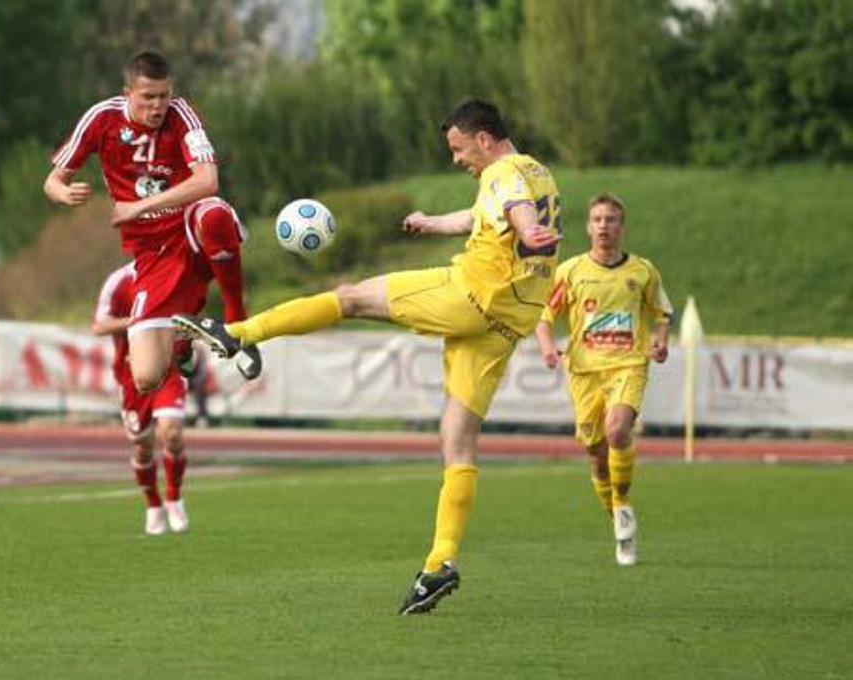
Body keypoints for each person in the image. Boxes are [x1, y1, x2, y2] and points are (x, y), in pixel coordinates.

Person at [174, 99, 563, 614]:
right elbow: (483, 217)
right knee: (458, 442)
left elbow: (515, 208)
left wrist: (528, 230)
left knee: (351, 297)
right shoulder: (538, 172)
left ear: (484, 139)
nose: (456, 159)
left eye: (458, 148)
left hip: (473, 293)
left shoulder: (505, 173)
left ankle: (238, 332)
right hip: (505, 322)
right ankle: (439, 564)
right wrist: (431, 222)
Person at [43, 49, 261, 405]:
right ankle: (183, 340)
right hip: (152, 252)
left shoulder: (182, 115)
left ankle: (238, 322)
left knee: (215, 215)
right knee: (146, 377)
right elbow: (52, 181)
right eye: (148, 97)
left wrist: (138, 207)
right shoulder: (101, 119)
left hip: (190, 227)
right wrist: (63, 193)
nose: (158, 106)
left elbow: (208, 181)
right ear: (127, 93)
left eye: (164, 95)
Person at [535, 193, 672, 566]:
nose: (603, 226)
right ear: (588, 227)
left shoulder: (642, 271)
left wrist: (660, 341)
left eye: (611, 219)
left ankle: (623, 505)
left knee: (617, 430)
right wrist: (547, 348)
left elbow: (662, 313)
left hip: (628, 365)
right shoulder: (571, 271)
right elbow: (544, 316)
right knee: (597, 457)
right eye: (597, 219)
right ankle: (617, 520)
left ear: (621, 227)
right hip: (584, 372)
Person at [92, 262, 192, 535]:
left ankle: (174, 498)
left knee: (172, 432)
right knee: (142, 446)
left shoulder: (176, 273)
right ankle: (153, 505)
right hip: (132, 374)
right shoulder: (119, 280)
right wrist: (137, 320)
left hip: (168, 368)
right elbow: (99, 326)